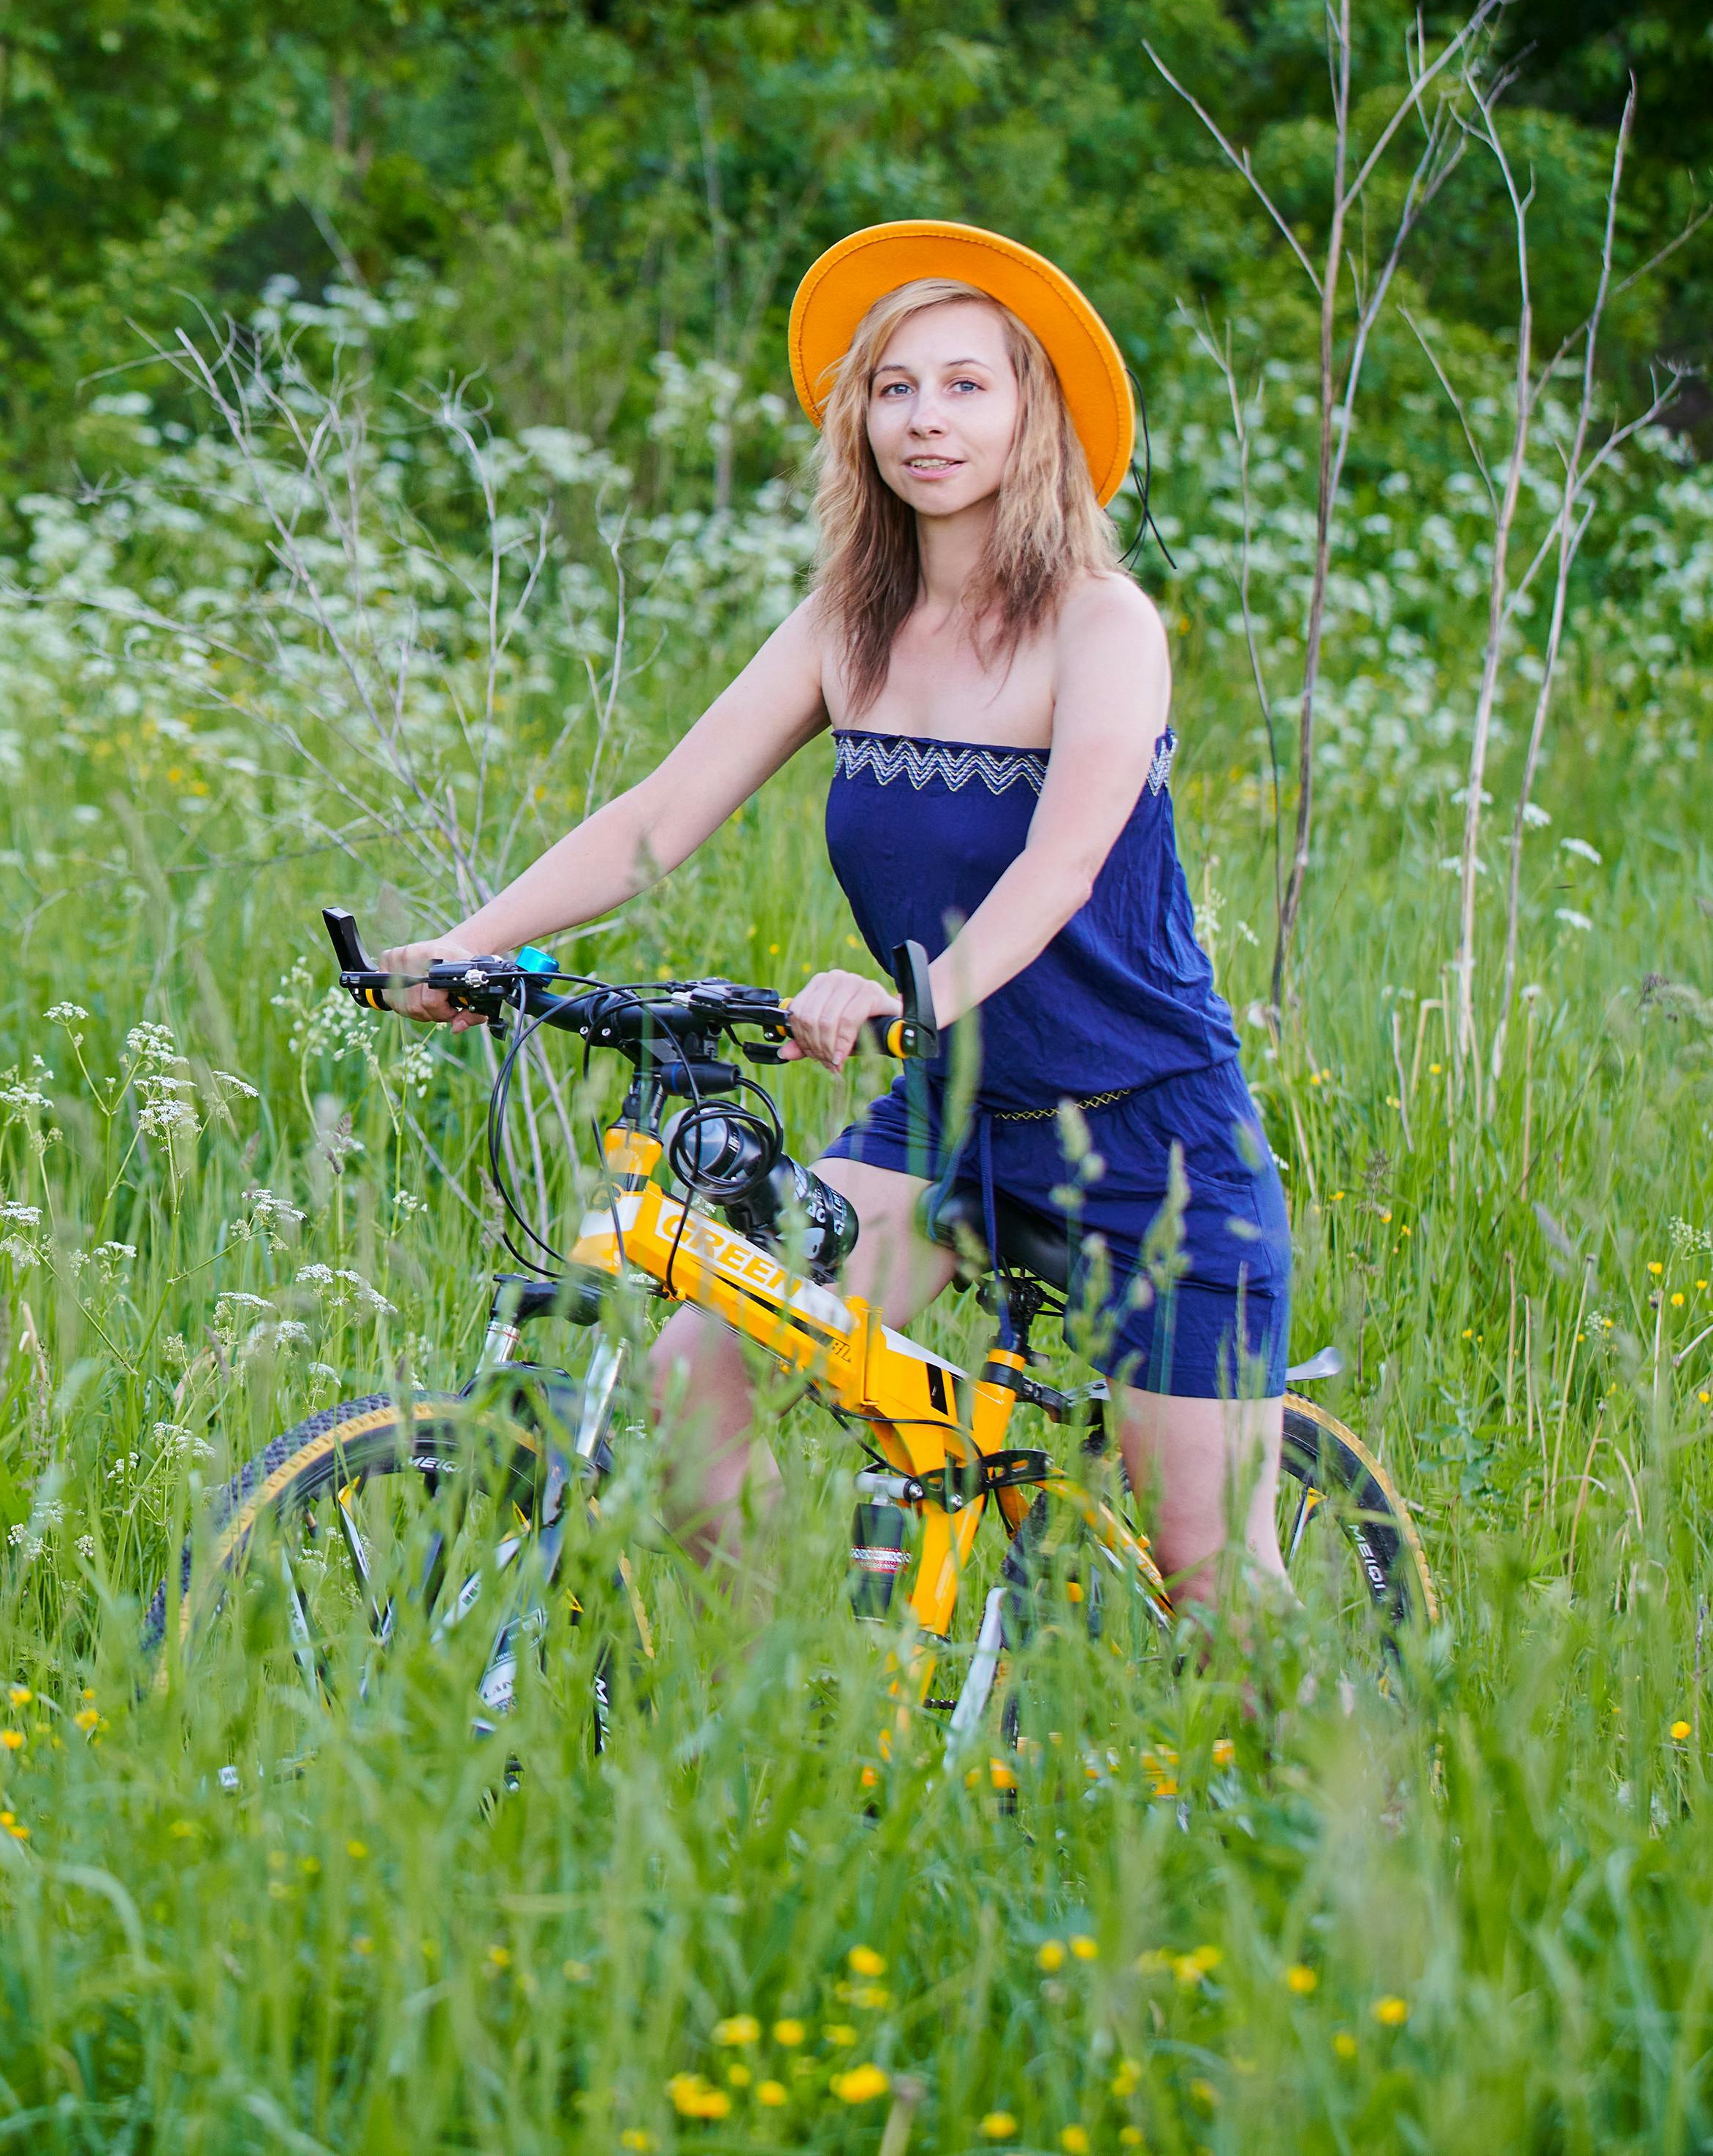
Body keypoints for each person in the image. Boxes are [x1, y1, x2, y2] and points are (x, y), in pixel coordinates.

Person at [373, 222, 1292, 1607]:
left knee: (1208, 1574)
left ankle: (1370, 1803)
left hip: (1150, 1135)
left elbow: (1057, 870)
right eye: (896, 386)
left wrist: (915, 994)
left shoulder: (1106, 628)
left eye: (968, 386)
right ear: (858, 417)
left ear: (1034, 412)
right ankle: (806, 1732)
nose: (926, 419)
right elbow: (651, 825)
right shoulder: (845, 625)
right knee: (691, 1399)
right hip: (952, 1120)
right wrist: (469, 944)